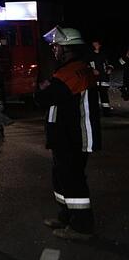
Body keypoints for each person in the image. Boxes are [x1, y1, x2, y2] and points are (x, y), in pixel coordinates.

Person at [36, 27, 101, 241]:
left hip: (72, 136)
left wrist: (43, 89)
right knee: (62, 176)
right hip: (69, 134)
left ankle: (81, 226)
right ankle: (66, 217)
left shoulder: (69, 72)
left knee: (72, 179)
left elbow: (44, 98)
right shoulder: (78, 68)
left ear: (66, 48)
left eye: (56, 46)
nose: (54, 50)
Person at [89, 40, 114, 114]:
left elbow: (110, 63)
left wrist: (109, 69)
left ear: (99, 45)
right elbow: (85, 65)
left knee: (104, 96)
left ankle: (106, 112)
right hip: (93, 80)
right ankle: (94, 112)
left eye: (96, 44)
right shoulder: (89, 55)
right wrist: (92, 70)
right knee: (93, 97)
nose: (94, 46)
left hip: (103, 79)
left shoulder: (104, 55)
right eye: (93, 44)